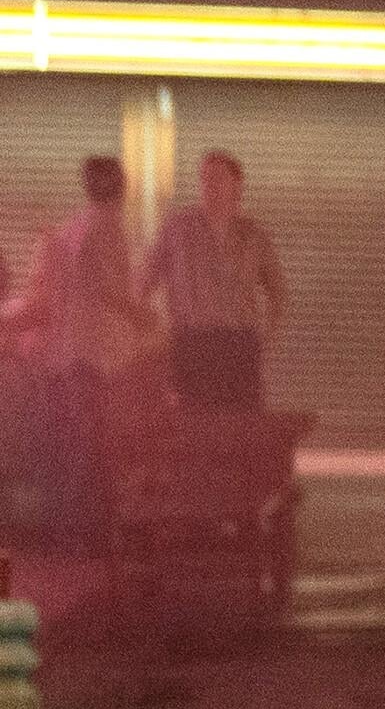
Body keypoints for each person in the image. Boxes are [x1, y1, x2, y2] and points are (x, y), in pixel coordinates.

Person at [6, 156, 159, 534]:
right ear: (121, 187)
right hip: (97, 354)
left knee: (75, 443)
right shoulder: (108, 227)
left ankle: (68, 528)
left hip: (71, 353)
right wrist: (143, 317)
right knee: (94, 445)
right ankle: (88, 530)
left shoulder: (75, 226)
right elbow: (108, 288)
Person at [142, 150, 284, 412]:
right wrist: (156, 335)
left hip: (239, 345)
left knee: (241, 423)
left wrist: (264, 339)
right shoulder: (178, 229)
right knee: (192, 422)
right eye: (204, 179)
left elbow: (279, 294)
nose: (210, 186)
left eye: (218, 178)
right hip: (191, 344)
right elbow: (144, 283)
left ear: (237, 186)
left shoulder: (253, 235)